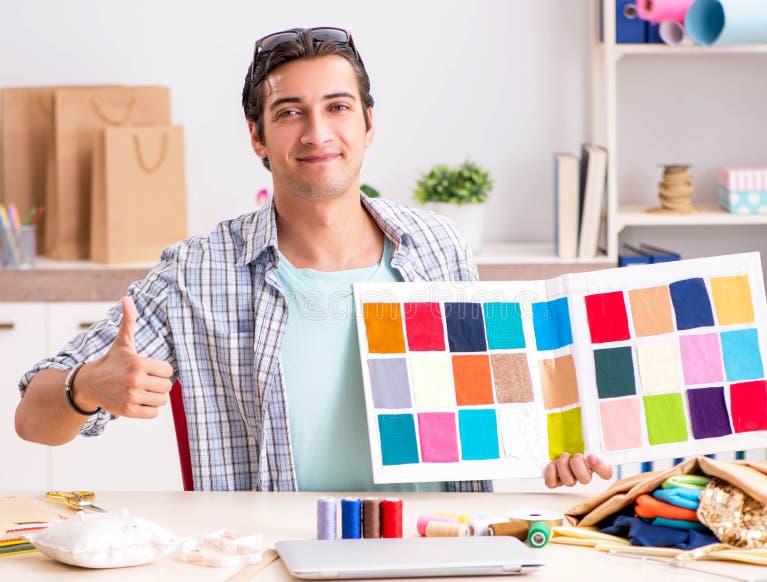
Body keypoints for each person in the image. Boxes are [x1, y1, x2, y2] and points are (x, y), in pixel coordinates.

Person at [15, 27, 612, 492]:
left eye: (338, 107)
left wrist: (558, 446)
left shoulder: (440, 248)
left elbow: (504, 402)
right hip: (274, 555)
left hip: (437, 546)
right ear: (258, 138)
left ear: (369, 123)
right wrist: (85, 387)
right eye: (289, 111)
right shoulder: (196, 272)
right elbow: (31, 418)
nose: (316, 132)